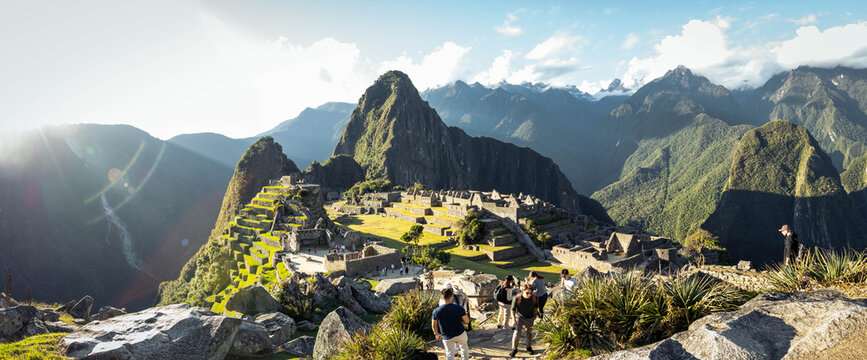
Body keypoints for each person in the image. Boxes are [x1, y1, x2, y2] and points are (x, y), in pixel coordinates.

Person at [432, 288, 470, 360]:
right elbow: (467, 321)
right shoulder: (459, 308)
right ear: (451, 297)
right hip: (460, 333)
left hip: (447, 336)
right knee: (464, 347)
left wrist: (436, 333)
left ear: (441, 298)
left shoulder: (436, 311)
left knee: (449, 353)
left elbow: (434, 325)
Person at [510, 283, 538, 357]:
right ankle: (514, 349)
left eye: (531, 293)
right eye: (527, 293)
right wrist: (514, 319)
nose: (529, 294)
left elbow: (536, 307)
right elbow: (512, 309)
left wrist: (535, 315)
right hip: (520, 317)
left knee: (529, 333)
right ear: (523, 291)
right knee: (517, 333)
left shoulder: (534, 298)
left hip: (530, 318)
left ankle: (528, 347)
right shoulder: (517, 298)